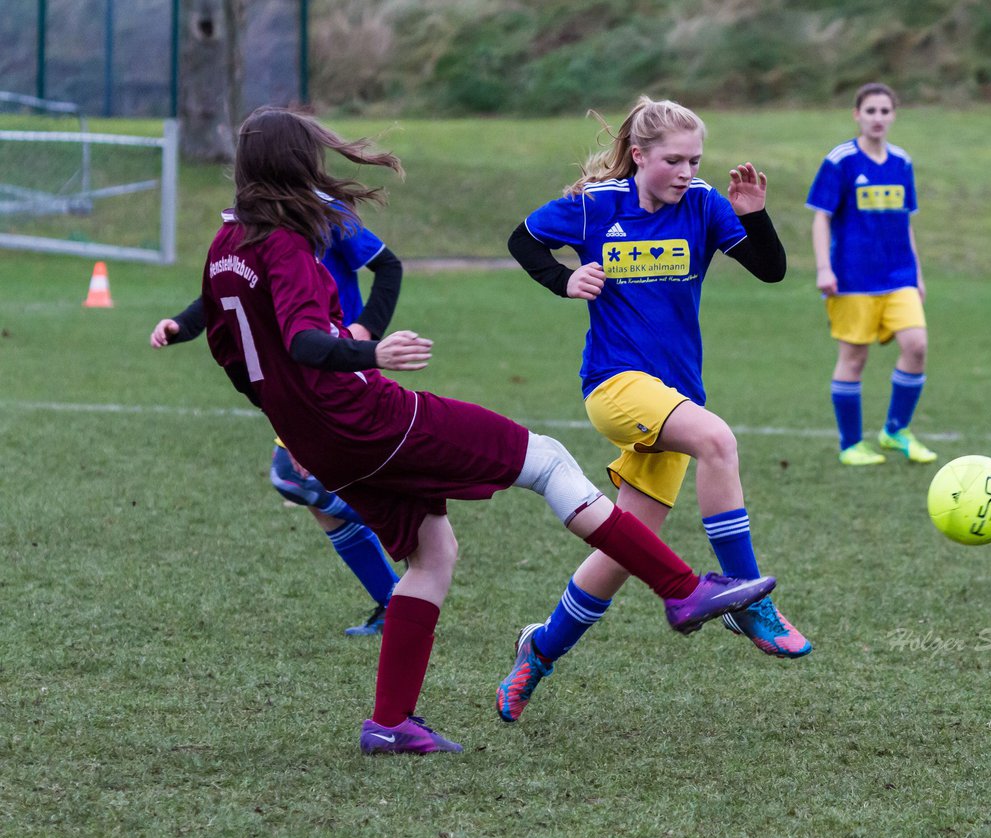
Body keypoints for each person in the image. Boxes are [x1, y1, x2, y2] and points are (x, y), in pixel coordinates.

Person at [202, 106, 775, 755]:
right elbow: (306, 340)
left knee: (432, 552)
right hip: (368, 418)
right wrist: (370, 353)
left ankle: (389, 724)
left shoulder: (224, 252)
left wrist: (297, 411)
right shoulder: (285, 246)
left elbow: (238, 360)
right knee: (549, 461)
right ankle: (681, 591)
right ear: (294, 165)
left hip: (317, 441)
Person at [499, 95, 810, 724]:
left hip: (675, 399)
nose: (688, 171)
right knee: (718, 441)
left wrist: (757, 216)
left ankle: (539, 652)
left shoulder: (703, 207)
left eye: (695, 160)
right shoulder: (595, 207)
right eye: (674, 160)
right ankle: (750, 602)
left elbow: (772, 270)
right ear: (638, 155)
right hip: (615, 386)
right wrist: (563, 280)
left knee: (625, 549)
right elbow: (522, 239)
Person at [151, 199, 405, 637]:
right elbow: (222, 293)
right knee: (320, 503)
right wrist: (182, 326)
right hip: (292, 374)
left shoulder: (324, 212)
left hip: (335, 368)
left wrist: (365, 331)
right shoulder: (255, 220)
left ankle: (407, 527)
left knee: (294, 477)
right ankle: (393, 603)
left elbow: (389, 266)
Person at [807, 82, 937, 467]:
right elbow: (821, 217)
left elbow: (905, 224)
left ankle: (896, 430)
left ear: (893, 116)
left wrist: (918, 273)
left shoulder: (902, 162)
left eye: (885, 111)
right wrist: (824, 268)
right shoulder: (840, 160)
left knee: (916, 346)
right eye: (871, 111)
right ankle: (851, 445)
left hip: (899, 276)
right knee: (854, 358)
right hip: (852, 279)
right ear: (857, 115)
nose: (878, 118)